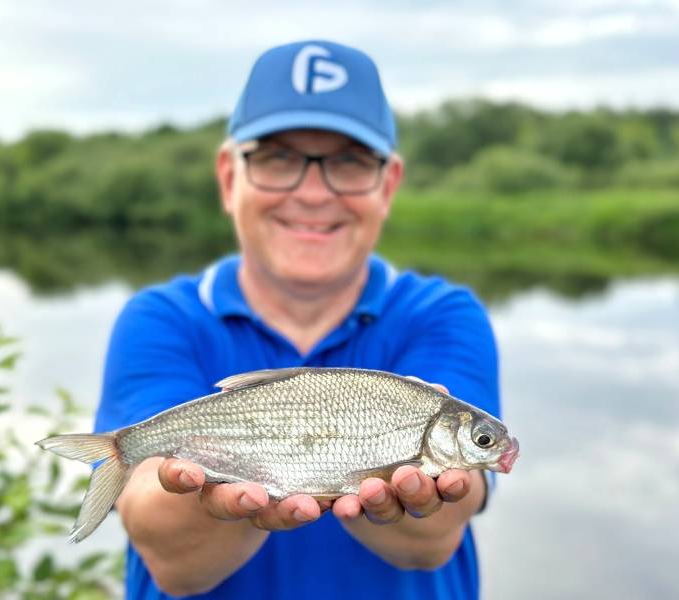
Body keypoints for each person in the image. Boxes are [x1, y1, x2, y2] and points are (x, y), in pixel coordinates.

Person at [94, 40, 500, 600]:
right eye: (278, 158)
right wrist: (224, 503)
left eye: (351, 162)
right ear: (229, 177)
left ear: (389, 183)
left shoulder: (442, 314)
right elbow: (170, 561)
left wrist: (408, 495)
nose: (313, 194)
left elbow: (430, 541)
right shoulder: (161, 319)